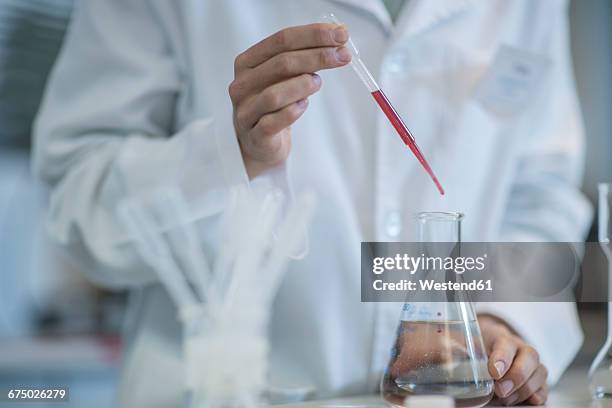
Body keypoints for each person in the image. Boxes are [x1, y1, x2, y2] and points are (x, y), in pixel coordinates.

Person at [33, 0, 591, 406]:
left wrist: (497, 321)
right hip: (219, 391)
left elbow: (540, 195)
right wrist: (227, 155)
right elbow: (77, 199)